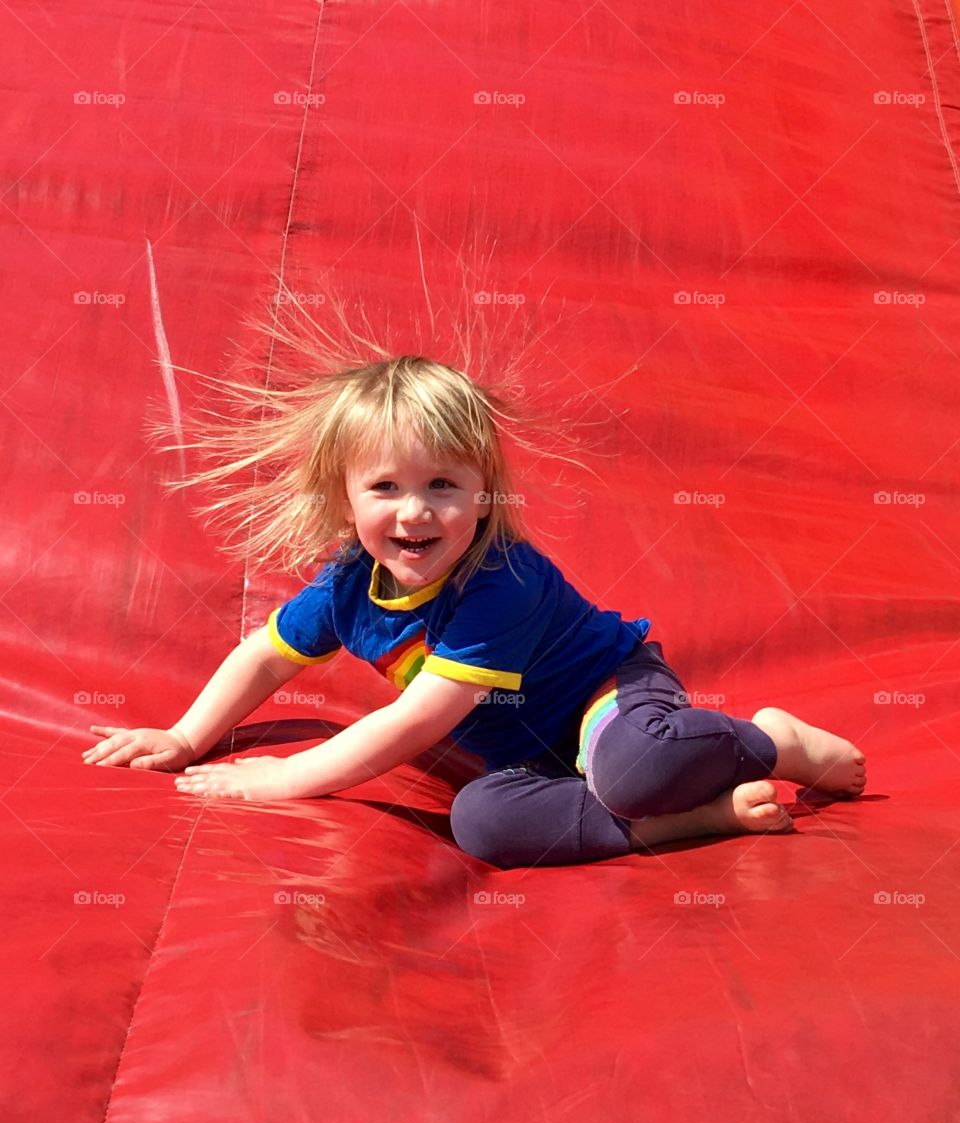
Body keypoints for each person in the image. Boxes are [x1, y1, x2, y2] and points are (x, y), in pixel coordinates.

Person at [81, 342, 866, 870]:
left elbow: (419, 718)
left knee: (634, 764)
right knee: (481, 824)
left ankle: (770, 741)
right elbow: (263, 655)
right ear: (344, 498)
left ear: (484, 496)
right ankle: (693, 822)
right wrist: (186, 736)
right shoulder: (350, 585)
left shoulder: (503, 580)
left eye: (443, 487)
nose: (416, 512)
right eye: (386, 488)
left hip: (607, 699)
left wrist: (286, 779)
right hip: (532, 759)